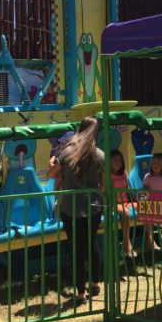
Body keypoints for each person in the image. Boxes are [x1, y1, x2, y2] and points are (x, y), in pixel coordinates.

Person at [54, 116, 104, 304]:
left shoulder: (67, 153)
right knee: (91, 243)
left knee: (76, 248)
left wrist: (57, 168)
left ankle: (80, 293)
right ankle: (96, 283)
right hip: (94, 205)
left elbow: (51, 173)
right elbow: (104, 187)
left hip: (70, 206)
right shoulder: (100, 155)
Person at [111, 149, 155, 257]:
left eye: (120, 160)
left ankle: (149, 238)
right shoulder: (107, 175)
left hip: (126, 202)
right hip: (114, 204)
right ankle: (127, 244)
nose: (118, 163)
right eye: (115, 160)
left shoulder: (124, 174)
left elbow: (129, 190)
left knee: (146, 206)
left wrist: (135, 201)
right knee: (125, 213)